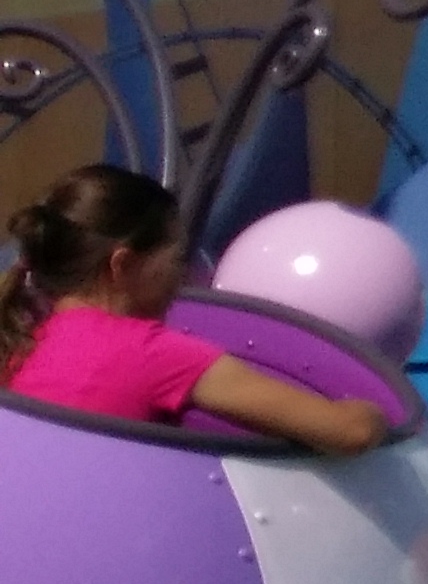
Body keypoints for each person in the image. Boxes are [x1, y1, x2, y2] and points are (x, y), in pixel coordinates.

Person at [4, 165, 390, 453]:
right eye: (176, 259)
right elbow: (349, 433)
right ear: (123, 264)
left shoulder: (19, 336)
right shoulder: (152, 351)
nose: (185, 276)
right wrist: (372, 412)